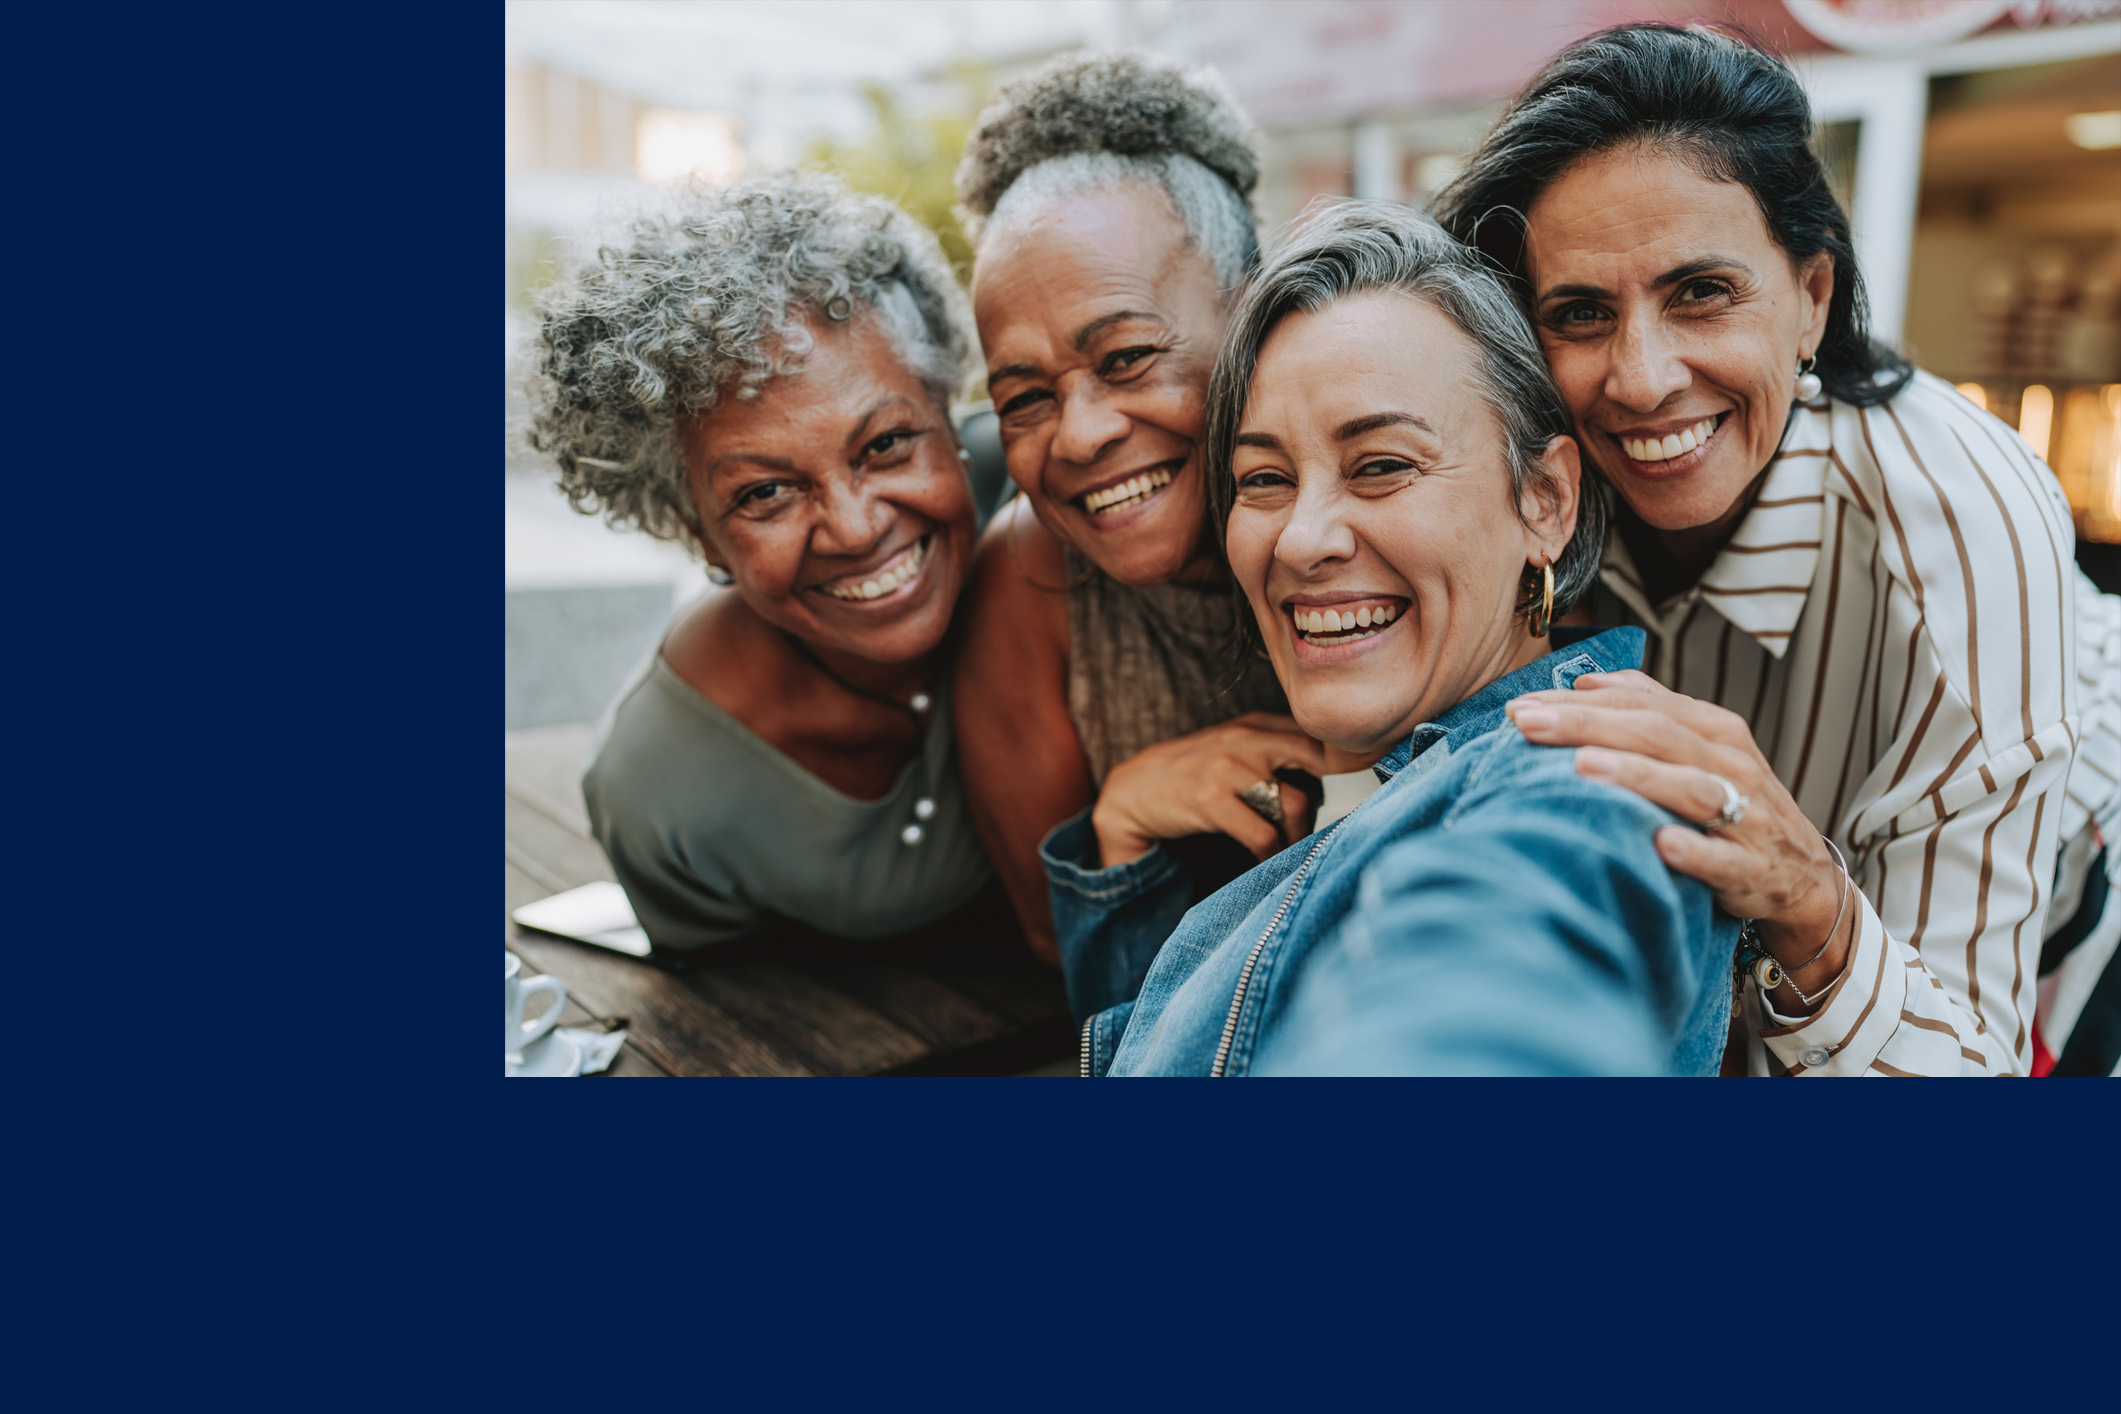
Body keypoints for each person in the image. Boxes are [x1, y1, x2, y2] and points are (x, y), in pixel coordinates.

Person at [1434, 23, 2121, 1076]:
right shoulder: (1531, 479)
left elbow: (1967, 1062)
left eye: (1700, 292)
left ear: (1812, 298)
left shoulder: (1961, 521)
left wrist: (1810, 898)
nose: (1643, 377)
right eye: (1578, 313)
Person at [1054, 202, 1739, 1076]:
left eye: (1381, 465)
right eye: (1262, 478)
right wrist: (1125, 851)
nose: (1302, 539)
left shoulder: (1578, 783)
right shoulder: (1363, 786)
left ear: (1546, 502)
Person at [526, 174, 994, 953]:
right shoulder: (663, 791)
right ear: (694, 530)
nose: (853, 528)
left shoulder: (1060, 507)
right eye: (767, 493)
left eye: (884, 445)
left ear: (947, 413)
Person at [951, 51, 1329, 967]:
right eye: (1025, 399)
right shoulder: (1029, 581)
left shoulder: (1391, 509)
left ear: (1254, 313)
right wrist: (1124, 816)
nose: (1078, 436)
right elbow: (1054, 941)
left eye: (1125, 359)